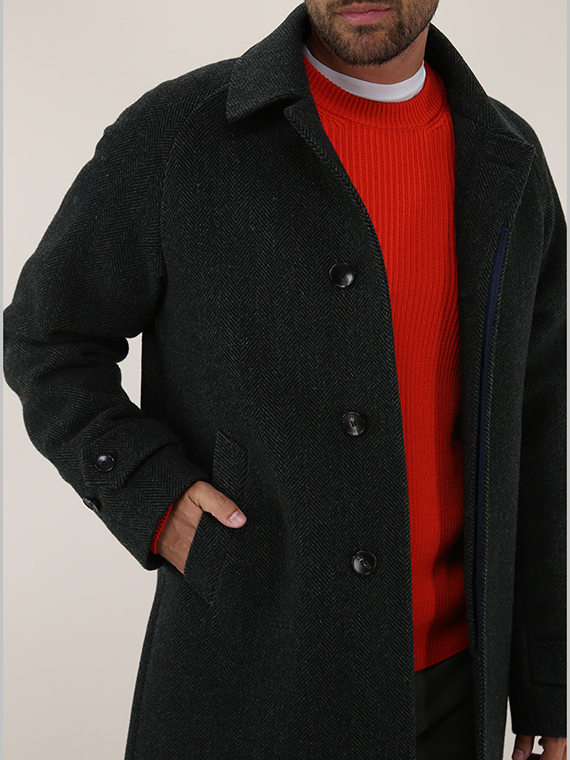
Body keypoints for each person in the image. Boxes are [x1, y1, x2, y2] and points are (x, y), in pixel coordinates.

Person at [3, 1, 566, 758]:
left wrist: (548, 683)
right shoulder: (180, 134)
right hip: (247, 683)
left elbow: (540, 427)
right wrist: (151, 494)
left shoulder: (511, 162)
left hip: (453, 695)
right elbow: (48, 337)